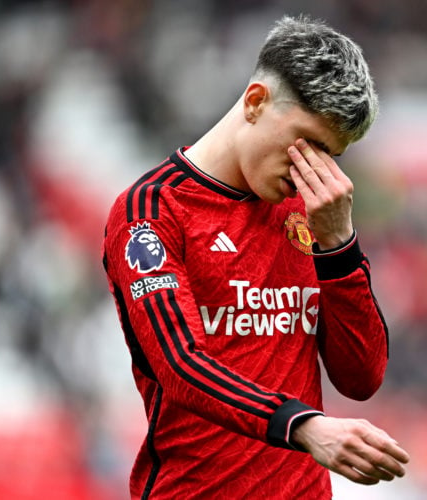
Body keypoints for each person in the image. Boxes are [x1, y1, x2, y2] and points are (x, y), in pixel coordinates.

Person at [102, 14, 409, 499]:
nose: (314, 167)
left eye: (332, 154)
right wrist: (304, 426)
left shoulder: (312, 212)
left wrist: (339, 247)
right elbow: (182, 364)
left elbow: (362, 377)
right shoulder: (151, 211)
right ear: (255, 102)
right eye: (306, 143)